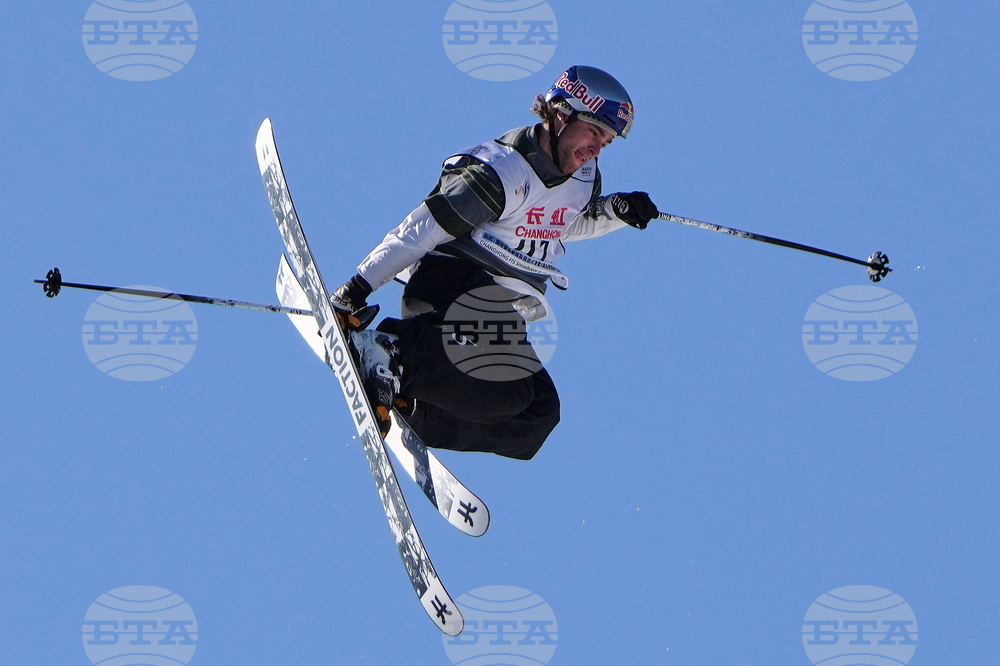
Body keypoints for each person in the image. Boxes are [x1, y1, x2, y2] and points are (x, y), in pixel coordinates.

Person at [331, 65, 659, 460]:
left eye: (605, 142)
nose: (596, 149)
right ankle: (393, 351)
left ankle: (411, 406)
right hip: (451, 287)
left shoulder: (585, 177)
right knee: (509, 388)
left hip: (497, 304)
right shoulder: (500, 172)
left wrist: (614, 211)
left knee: (537, 414)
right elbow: (419, 230)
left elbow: (561, 220)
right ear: (560, 113)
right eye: (593, 132)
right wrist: (355, 289)